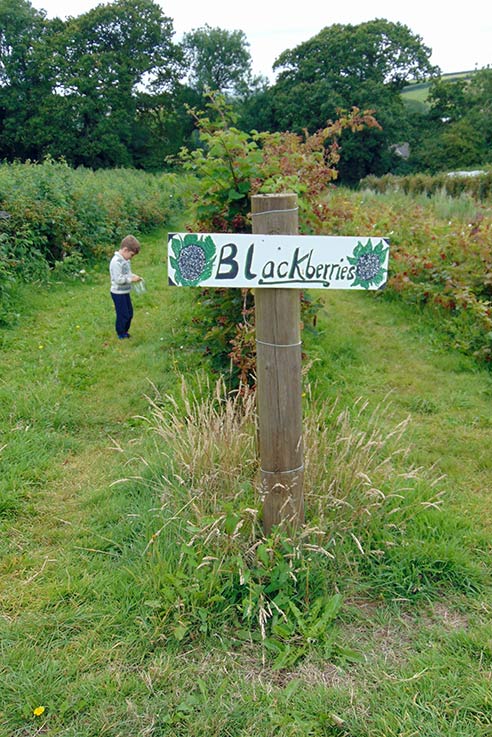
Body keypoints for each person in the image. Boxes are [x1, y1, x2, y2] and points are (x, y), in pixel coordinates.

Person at [109, 234, 142, 339]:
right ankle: (121, 333)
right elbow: (118, 279)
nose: (131, 258)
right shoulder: (116, 262)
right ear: (125, 250)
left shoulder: (126, 261)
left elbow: (128, 273)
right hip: (118, 293)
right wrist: (130, 279)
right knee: (123, 314)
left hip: (125, 291)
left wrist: (133, 276)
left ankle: (125, 331)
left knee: (129, 313)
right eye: (131, 255)